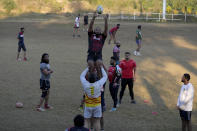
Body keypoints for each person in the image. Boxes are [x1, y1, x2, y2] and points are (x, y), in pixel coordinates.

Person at [80, 66, 107, 131]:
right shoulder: (99, 84)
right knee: (97, 121)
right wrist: (101, 67)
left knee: (86, 121)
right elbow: (105, 76)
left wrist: (88, 67)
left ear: (88, 79)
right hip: (97, 106)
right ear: (96, 79)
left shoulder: (85, 84)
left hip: (88, 106)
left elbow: (81, 76)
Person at [87, 11, 108, 78]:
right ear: (94, 30)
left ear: (100, 31)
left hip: (98, 55)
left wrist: (106, 20)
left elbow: (106, 29)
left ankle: (100, 83)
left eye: (99, 29)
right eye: (96, 29)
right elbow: (90, 27)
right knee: (91, 66)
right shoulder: (91, 35)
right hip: (91, 54)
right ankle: (89, 81)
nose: (97, 30)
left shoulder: (103, 36)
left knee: (99, 65)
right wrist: (93, 18)